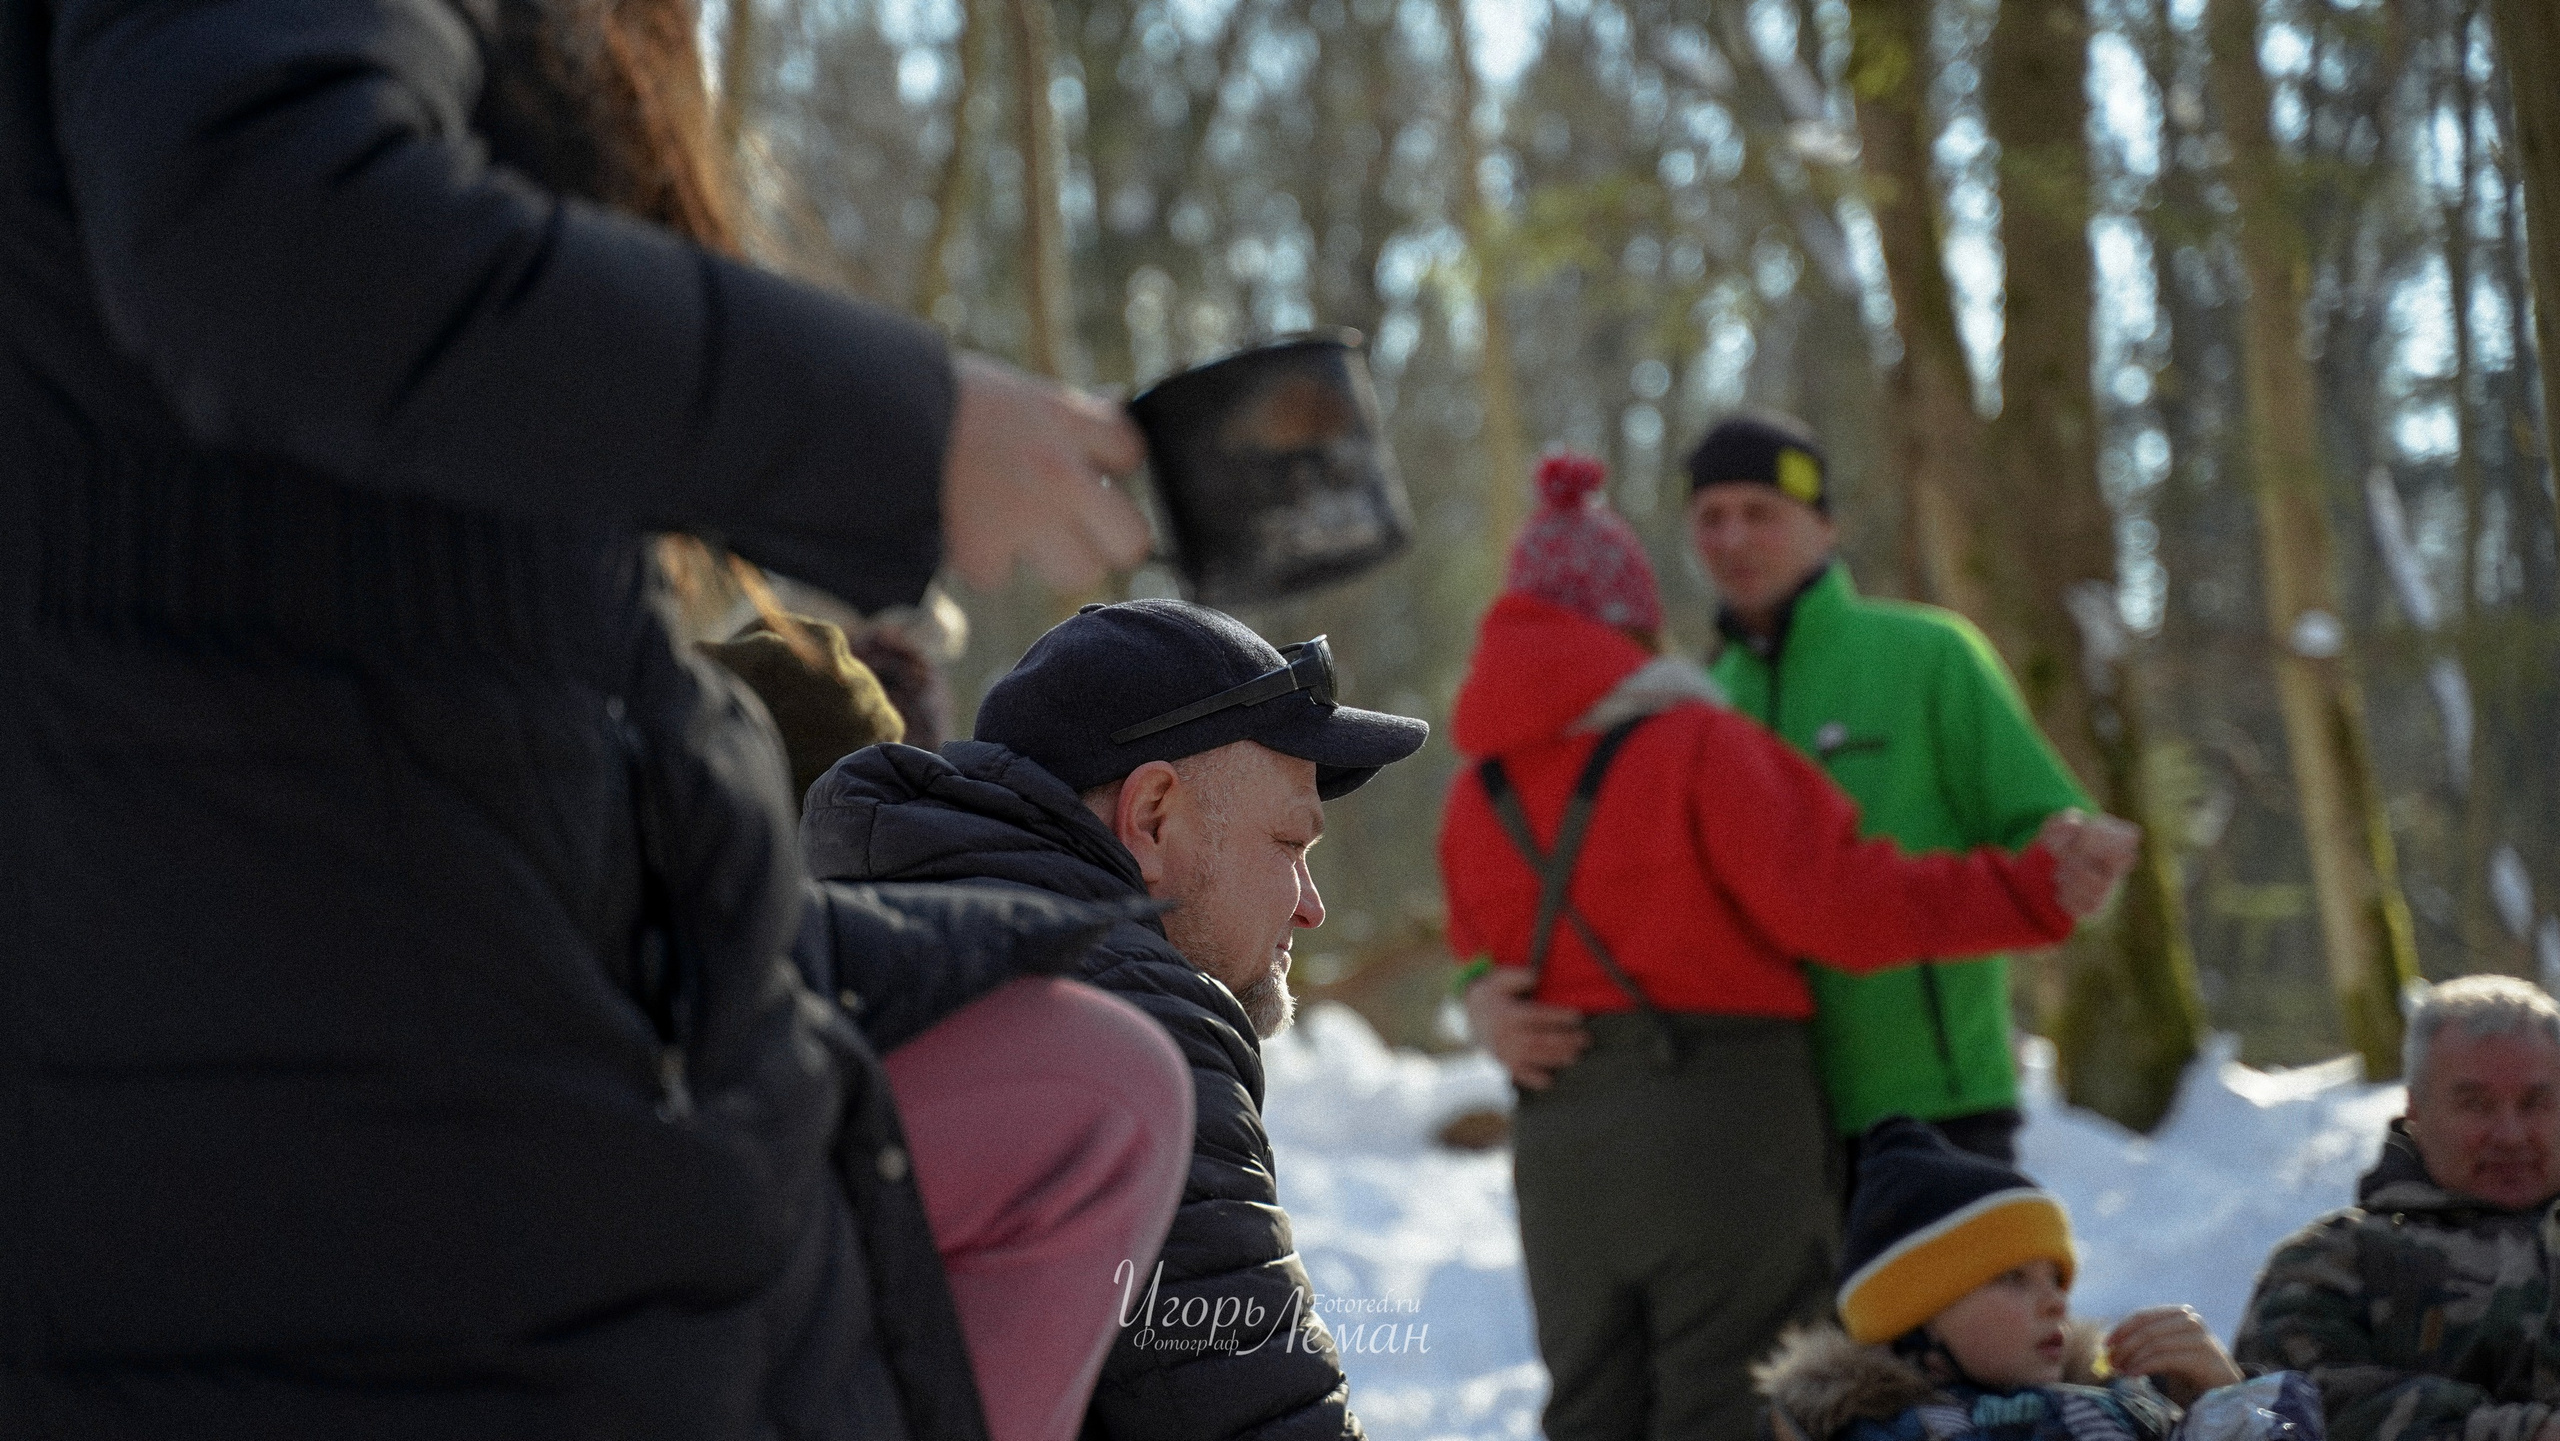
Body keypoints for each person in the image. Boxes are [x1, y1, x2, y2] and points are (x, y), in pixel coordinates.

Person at [0, 0, 1181, 1433]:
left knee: (1103, 1082)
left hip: (455, 1050)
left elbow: (503, 652)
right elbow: (276, 242)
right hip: (360, 1103)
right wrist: (902, 430)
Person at [1437, 454, 2138, 1441]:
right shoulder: (1696, 744)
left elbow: (1479, 949)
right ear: (1632, 622)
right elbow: (1841, 908)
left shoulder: (1476, 791)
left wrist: (1482, 1004)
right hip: (1720, 1126)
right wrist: (2025, 892)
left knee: (1591, 1404)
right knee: (1734, 1400)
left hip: (1559, 1141)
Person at [803, 599, 1432, 1441]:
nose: (1312, 906)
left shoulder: (874, 952)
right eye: (1289, 845)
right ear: (1153, 818)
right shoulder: (1137, 1020)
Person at [1755, 1118, 2320, 1441]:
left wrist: (2226, 1402)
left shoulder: (2124, 1407)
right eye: (2011, 1278)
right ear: (1918, 1318)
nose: (2055, 1302)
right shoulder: (1881, 1433)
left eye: (2056, 1277)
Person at [2235, 975, 2560, 1441]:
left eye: (2535, 1103)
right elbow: (2287, 1410)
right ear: (2416, 1111)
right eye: (2475, 1104)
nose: (2509, 1134)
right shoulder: (2333, 1264)